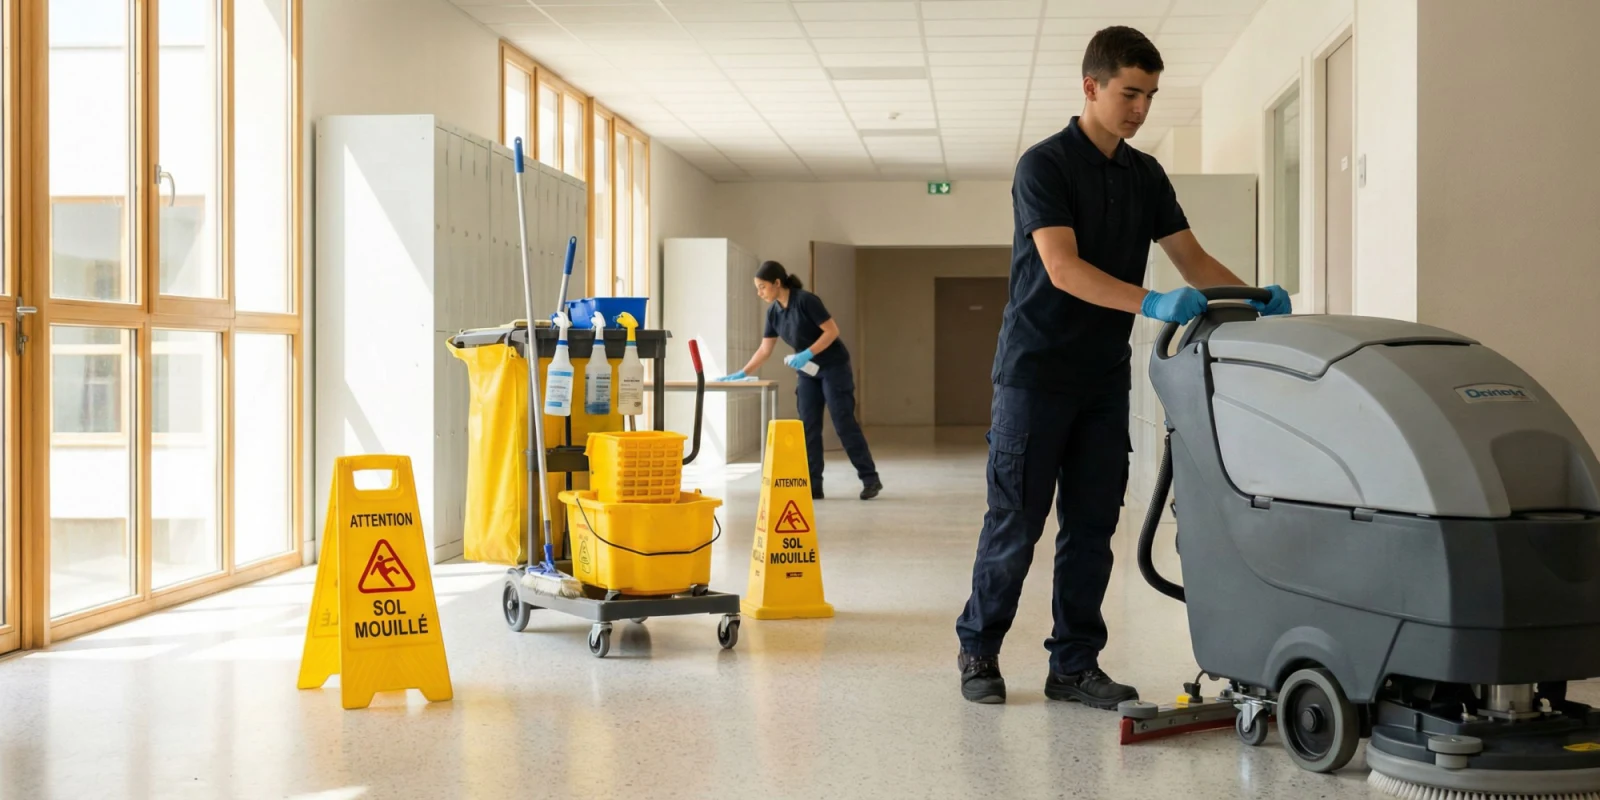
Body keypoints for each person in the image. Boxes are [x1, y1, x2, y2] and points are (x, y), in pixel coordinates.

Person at [954, 26, 1293, 707]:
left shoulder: (1145, 175)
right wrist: (1153, 302)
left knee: (1091, 526)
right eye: (1129, 93)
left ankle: (1073, 665)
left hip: (1103, 379)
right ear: (1092, 86)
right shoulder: (1043, 166)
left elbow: (1191, 259)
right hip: (1035, 374)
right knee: (1016, 521)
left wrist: (1253, 300)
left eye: (1150, 96)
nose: (1140, 109)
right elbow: (1061, 267)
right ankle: (979, 651)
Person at [715, 261, 884, 501]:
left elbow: (832, 331)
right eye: (757, 288)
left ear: (777, 283)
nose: (759, 293)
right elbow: (765, 349)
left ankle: (870, 479)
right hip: (808, 373)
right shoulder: (773, 312)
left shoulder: (806, 301)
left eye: (762, 287)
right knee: (808, 427)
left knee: (843, 422)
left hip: (833, 367)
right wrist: (743, 371)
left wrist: (807, 353)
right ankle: (814, 486)